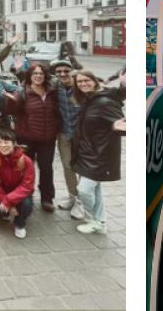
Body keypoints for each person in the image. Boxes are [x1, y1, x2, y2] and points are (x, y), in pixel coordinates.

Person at [71, 70, 123, 235]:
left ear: (94, 80)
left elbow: (121, 124)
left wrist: (117, 128)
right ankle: (99, 221)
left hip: (99, 155)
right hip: (88, 153)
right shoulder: (90, 99)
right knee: (95, 189)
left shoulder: (104, 101)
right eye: (79, 82)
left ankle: (94, 220)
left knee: (84, 190)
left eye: (86, 80)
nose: (83, 84)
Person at [13, 63, 62, 212]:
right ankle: (24, 195)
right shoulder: (22, 92)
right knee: (25, 169)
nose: (38, 76)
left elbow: (58, 111)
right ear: (30, 76)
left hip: (47, 139)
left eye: (41, 73)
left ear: (45, 75)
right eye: (35, 74)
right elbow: (13, 112)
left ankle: (47, 198)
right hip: (26, 138)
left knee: (46, 168)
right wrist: (12, 101)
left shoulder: (52, 91)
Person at [50, 60, 86, 218]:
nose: (63, 74)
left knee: (83, 169)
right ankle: (73, 197)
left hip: (82, 135)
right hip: (64, 133)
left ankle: (83, 202)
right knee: (67, 166)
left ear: (72, 71)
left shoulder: (81, 85)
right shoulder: (55, 87)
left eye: (66, 71)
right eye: (59, 72)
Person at [0, 130, 36, 239]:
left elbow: (27, 186)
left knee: (27, 206)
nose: (3, 145)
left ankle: (20, 223)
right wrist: (6, 202)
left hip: (20, 192)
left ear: (14, 143)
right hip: (1, 191)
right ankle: (9, 213)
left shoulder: (26, 161)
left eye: (6, 142)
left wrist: (8, 201)